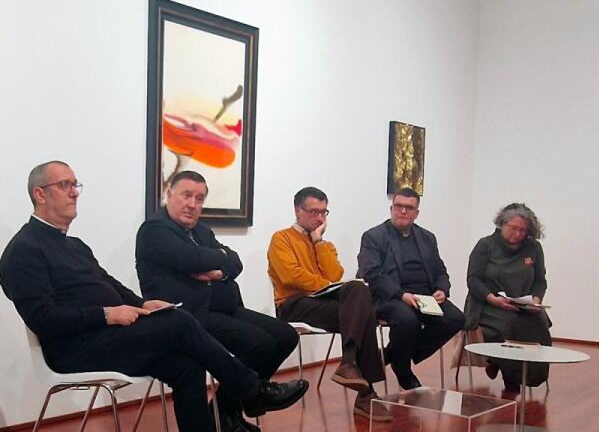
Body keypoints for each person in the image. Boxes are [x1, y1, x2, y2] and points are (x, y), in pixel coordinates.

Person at [0, 161, 308, 432]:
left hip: (104, 334)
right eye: (65, 185)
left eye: (75, 185)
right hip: (73, 347)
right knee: (178, 321)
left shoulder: (75, 245)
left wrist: (141, 304)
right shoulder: (23, 251)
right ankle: (252, 390)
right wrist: (107, 314)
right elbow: (43, 319)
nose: (74, 193)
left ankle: (234, 404)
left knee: (186, 366)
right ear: (40, 194)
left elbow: (109, 284)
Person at [136, 171, 299, 432]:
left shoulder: (201, 231)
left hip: (224, 308)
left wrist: (218, 268)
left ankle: (225, 410)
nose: (192, 204)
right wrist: (218, 257)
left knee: (286, 335)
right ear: (169, 195)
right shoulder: (154, 230)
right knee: (260, 344)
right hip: (188, 316)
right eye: (187, 195)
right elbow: (192, 259)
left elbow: (236, 261)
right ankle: (242, 403)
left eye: (199, 199)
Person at [267, 187, 390, 422]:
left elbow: (335, 274)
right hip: (293, 304)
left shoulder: (325, 244)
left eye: (323, 212)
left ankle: (350, 363)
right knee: (363, 313)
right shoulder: (281, 238)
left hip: (322, 303)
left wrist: (318, 242)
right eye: (313, 212)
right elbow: (291, 277)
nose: (319, 218)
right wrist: (326, 285)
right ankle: (365, 392)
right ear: (297, 210)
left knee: (358, 290)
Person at [357, 187, 464, 389]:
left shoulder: (427, 237)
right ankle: (403, 370)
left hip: (425, 296)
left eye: (409, 208)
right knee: (407, 320)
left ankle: (393, 355)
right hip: (390, 297)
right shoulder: (373, 236)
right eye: (399, 206)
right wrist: (401, 295)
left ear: (416, 213)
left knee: (455, 319)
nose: (403, 211)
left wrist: (442, 289)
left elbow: (440, 270)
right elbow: (371, 273)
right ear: (391, 209)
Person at [463, 202, 551, 391]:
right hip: (489, 304)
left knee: (540, 324)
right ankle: (511, 376)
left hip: (524, 305)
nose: (517, 233)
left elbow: (540, 281)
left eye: (522, 230)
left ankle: (531, 375)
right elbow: (473, 279)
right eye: (513, 228)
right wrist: (491, 298)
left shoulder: (534, 248)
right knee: (509, 325)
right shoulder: (485, 245)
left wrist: (536, 300)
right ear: (502, 224)